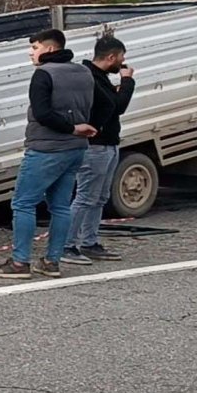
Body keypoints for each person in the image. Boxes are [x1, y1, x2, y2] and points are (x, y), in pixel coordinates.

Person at [0, 29, 96, 280]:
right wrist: (77, 128)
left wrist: (69, 127)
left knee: (23, 203)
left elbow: (43, 113)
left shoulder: (44, 74)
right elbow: (91, 106)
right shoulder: (84, 72)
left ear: (50, 49)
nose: (30, 52)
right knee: (60, 206)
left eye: (35, 48)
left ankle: (19, 262)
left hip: (46, 148)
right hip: (75, 149)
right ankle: (51, 261)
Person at [62, 36, 137, 265]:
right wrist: (127, 82)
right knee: (85, 196)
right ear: (111, 57)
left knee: (100, 197)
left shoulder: (101, 78)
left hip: (109, 144)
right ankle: (67, 244)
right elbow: (117, 106)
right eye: (121, 57)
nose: (123, 63)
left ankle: (89, 241)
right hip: (95, 146)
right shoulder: (91, 78)